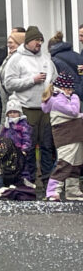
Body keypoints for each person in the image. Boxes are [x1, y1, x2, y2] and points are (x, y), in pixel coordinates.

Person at [2, 25, 56, 192]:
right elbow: (9, 84)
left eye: (41, 40)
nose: (39, 43)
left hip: (45, 108)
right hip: (27, 108)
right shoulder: (16, 59)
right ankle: (29, 179)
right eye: (36, 40)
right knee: (29, 147)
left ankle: (47, 181)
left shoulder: (46, 59)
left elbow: (54, 78)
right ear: (28, 41)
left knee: (47, 145)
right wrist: (32, 80)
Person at [41, 72, 83, 202]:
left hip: (74, 135)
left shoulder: (62, 98)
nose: (72, 92)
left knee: (75, 164)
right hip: (66, 136)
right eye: (70, 89)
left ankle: (72, 190)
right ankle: (53, 191)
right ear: (63, 88)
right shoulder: (57, 100)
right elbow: (74, 112)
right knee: (65, 163)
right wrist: (75, 98)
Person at [0, 96, 35, 186]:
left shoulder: (23, 125)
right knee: (9, 168)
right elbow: (2, 136)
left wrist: (24, 149)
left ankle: (25, 183)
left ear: (19, 113)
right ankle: (10, 183)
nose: (12, 114)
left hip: (19, 151)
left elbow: (27, 138)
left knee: (23, 168)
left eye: (15, 112)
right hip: (8, 152)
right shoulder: (7, 125)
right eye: (10, 112)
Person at [47, 32, 83, 99]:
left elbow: (54, 78)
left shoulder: (54, 59)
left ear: (50, 48)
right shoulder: (77, 55)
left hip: (69, 92)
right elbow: (81, 72)